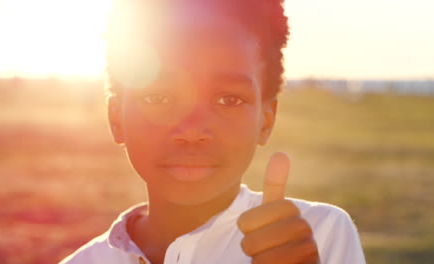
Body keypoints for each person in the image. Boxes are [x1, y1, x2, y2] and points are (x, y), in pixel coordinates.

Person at [60, 0, 365, 263]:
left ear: (266, 120)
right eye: (158, 97)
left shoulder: (318, 236)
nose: (192, 131)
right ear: (116, 119)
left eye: (229, 99)